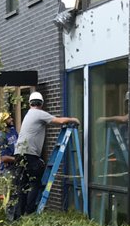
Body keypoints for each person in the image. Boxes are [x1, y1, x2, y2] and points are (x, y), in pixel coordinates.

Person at [12, 90, 80, 219]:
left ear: (30, 103)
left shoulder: (28, 114)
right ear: (41, 103)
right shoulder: (39, 113)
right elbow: (58, 121)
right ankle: (30, 212)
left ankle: (19, 216)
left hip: (19, 154)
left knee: (23, 184)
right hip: (29, 154)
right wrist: (73, 119)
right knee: (35, 183)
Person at [0, 110, 19, 221]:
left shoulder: (13, 131)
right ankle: (8, 221)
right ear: (4, 122)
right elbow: (3, 158)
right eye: (9, 118)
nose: (12, 119)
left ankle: (15, 218)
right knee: (10, 196)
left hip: (16, 167)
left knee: (16, 194)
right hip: (8, 170)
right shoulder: (2, 136)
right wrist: (16, 159)